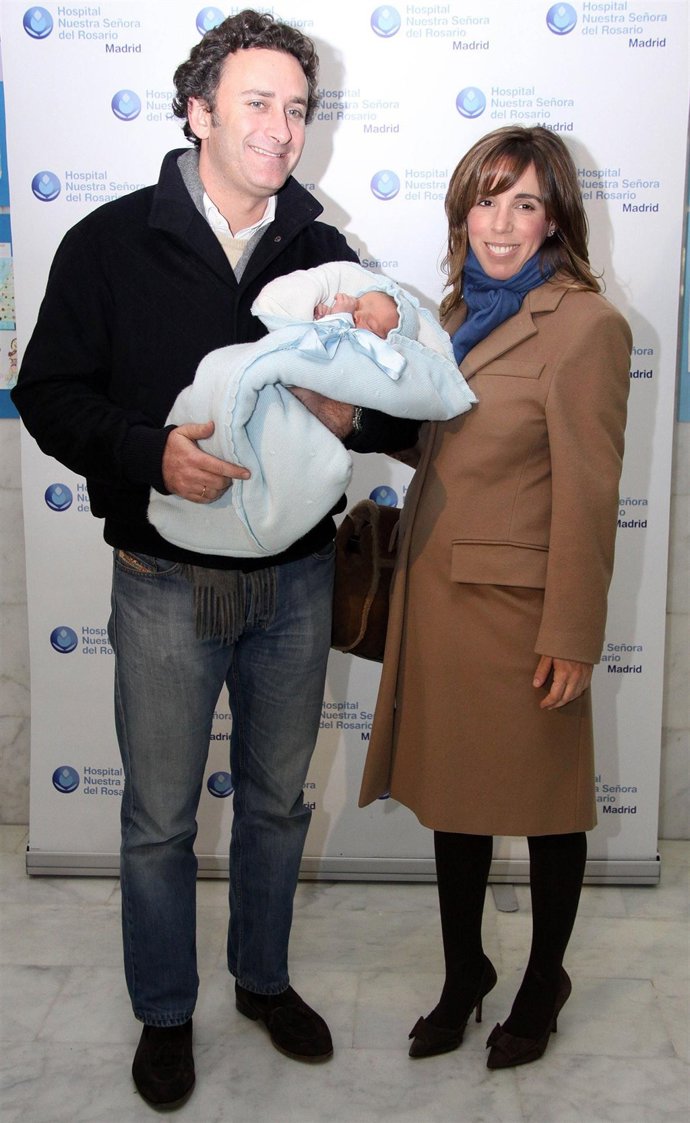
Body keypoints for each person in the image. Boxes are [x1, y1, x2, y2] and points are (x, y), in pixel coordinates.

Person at [12, 10, 420, 1110]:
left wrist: (358, 412)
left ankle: (262, 978)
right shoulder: (107, 241)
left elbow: (393, 413)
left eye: (298, 109)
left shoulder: (323, 254)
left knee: (279, 804)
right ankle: (164, 1010)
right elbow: (47, 393)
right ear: (197, 109)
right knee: (157, 820)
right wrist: (150, 454)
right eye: (258, 103)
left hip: (295, 581)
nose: (282, 129)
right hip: (160, 582)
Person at [359, 125, 632, 1070]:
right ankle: (463, 971)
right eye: (486, 198)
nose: (502, 222)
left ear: (556, 216)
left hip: (524, 615)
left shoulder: (586, 325)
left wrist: (573, 633)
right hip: (438, 602)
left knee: (549, 806)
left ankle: (542, 978)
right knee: (454, 802)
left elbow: (590, 492)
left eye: (525, 201)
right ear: (461, 210)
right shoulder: (454, 312)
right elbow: (460, 448)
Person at [147, 259, 475, 558]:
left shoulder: (377, 352)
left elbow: (400, 422)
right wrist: (149, 454)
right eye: (360, 308)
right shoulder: (329, 307)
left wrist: (348, 416)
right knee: (221, 368)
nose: (362, 319)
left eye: (376, 325)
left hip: (303, 562)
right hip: (160, 558)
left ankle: (267, 511)